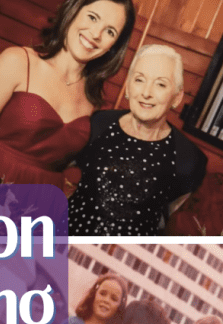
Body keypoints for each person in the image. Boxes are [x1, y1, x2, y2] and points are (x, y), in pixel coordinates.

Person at [0, 0, 136, 189]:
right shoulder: (17, 61)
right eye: (92, 17)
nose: (96, 34)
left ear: (114, 46)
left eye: (110, 31)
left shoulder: (94, 100)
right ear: (73, 11)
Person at [68, 44, 207, 235]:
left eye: (161, 84)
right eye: (139, 80)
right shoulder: (98, 124)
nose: (146, 92)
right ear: (128, 86)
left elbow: (170, 217)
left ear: (176, 97)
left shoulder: (188, 157)